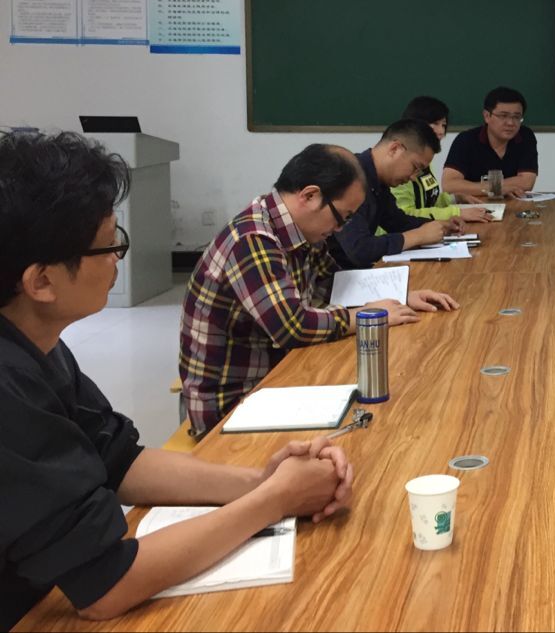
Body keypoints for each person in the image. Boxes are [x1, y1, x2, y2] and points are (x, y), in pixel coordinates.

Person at [0, 132, 355, 626]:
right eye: (111, 244)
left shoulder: (37, 342)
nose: (119, 258)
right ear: (41, 281)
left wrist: (262, 481)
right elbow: (105, 586)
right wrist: (275, 500)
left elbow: (119, 460)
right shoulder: (9, 388)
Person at [181, 143, 457, 435]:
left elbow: (335, 284)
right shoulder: (252, 240)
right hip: (234, 407)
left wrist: (399, 298)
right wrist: (368, 315)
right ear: (310, 196)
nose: (340, 229)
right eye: (342, 217)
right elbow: (293, 326)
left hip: (278, 379)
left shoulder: (299, 231)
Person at [328, 120, 462, 269]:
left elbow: (396, 221)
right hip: (335, 276)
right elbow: (360, 249)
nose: (413, 177)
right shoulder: (350, 179)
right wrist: (418, 236)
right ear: (394, 149)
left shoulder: (378, 180)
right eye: (415, 167)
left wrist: (436, 225)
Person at [393, 96, 493, 224]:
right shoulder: (400, 164)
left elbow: (428, 200)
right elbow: (403, 215)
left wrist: (454, 199)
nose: (441, 131)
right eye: (435, 124)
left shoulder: (425, 160)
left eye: (443, 125)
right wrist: (456, 212)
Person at [439, 86, 539, 200]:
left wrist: (477, 187)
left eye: (516, 117)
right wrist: (495, 188)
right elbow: (449, 185)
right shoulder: (466, 140)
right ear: (487, 116)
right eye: (503, 116)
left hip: (513, 204)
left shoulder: (525, 136)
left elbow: (526, 182)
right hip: (475, 205)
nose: (510, 123)